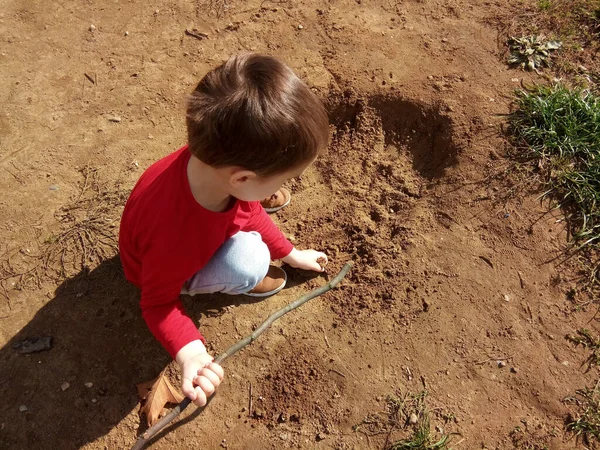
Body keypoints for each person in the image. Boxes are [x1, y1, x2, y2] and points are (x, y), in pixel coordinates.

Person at [119, 53, 330, 409]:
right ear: (242, 178)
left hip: (182, 226)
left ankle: (260, 220)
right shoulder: (176, 237)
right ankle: (236, 278)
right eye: (284, 177)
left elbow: (248, 212)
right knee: (250, 259)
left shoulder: (208, 169)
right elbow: (156, 304)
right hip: (159, 266)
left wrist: (291, 253)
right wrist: (190, 352)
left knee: (254, 223)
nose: (289, 184)